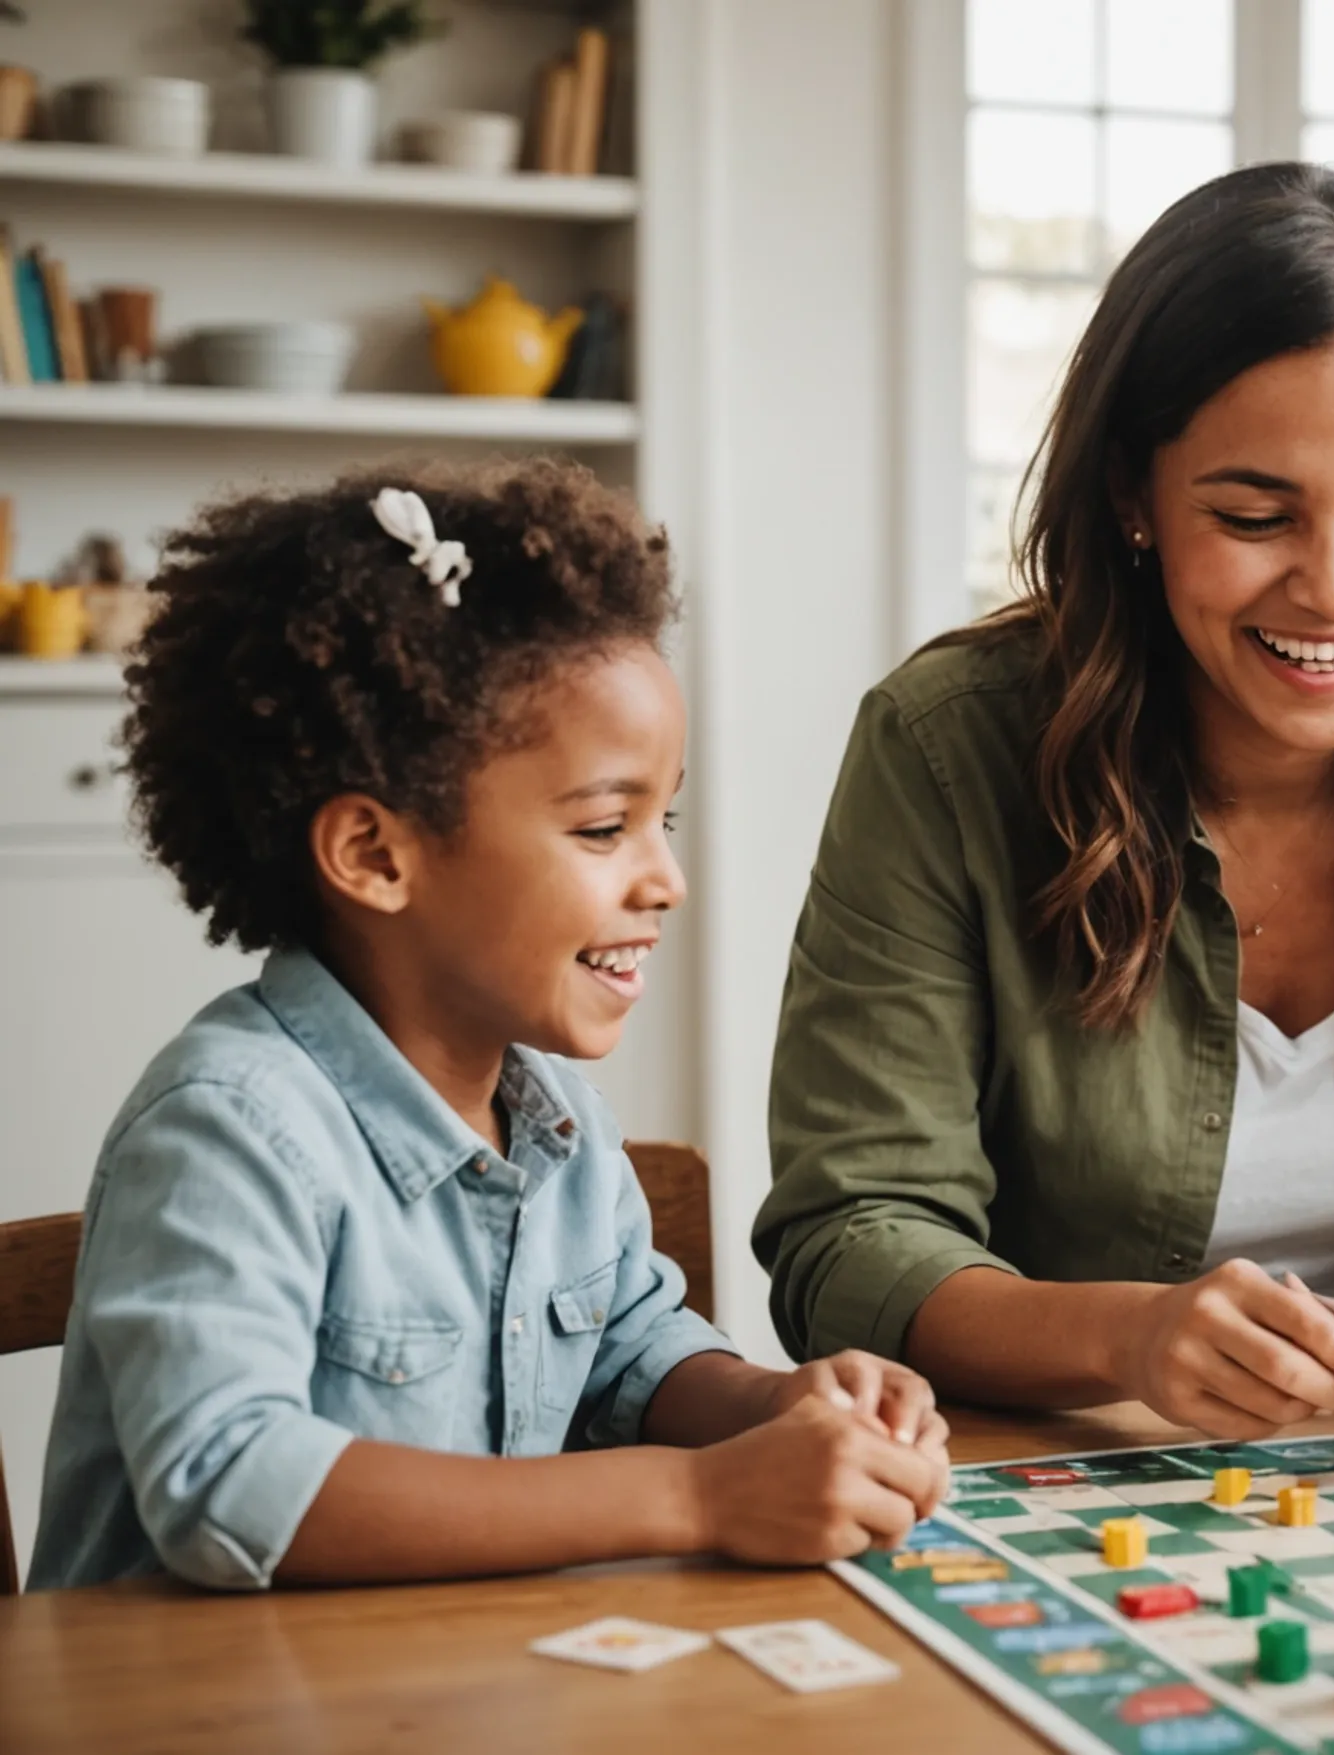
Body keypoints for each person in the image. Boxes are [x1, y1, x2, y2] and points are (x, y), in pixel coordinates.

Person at [756, 163, 1334, 1446]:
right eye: (1256, 514)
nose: (1333, 589)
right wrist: (1125, 1338)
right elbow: (849, 1237)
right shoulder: (946, 749)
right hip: (1061, 1483)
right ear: (1130, 499)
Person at [31, 462, 951, 1592]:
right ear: (376, 855)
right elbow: (230, 1483)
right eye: (607, 827)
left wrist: (773, 1406)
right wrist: (700, 1496)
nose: (666, 878)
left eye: (663, 819)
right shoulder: (228, 1130)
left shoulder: (558, 1127)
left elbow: (631, 1351)